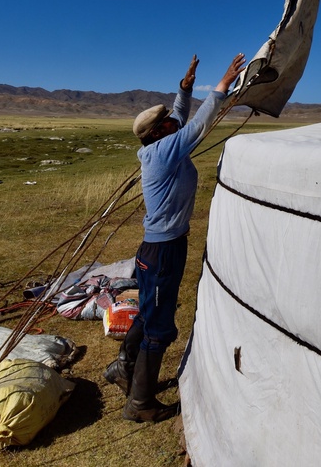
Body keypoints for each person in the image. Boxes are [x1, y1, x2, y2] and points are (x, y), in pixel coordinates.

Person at [104, 52, 247, 422]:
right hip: (164, 249)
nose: (173, 122)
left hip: (161, 244)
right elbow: (197, 126)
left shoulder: (160, 144)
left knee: (149, 313)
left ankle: (124, 369)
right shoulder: (166, 151)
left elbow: (183, 118)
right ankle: (140, 404)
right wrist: (221, 85)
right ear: (158, 133)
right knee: (160, 325)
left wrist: (183, 89)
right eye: (167, 121)